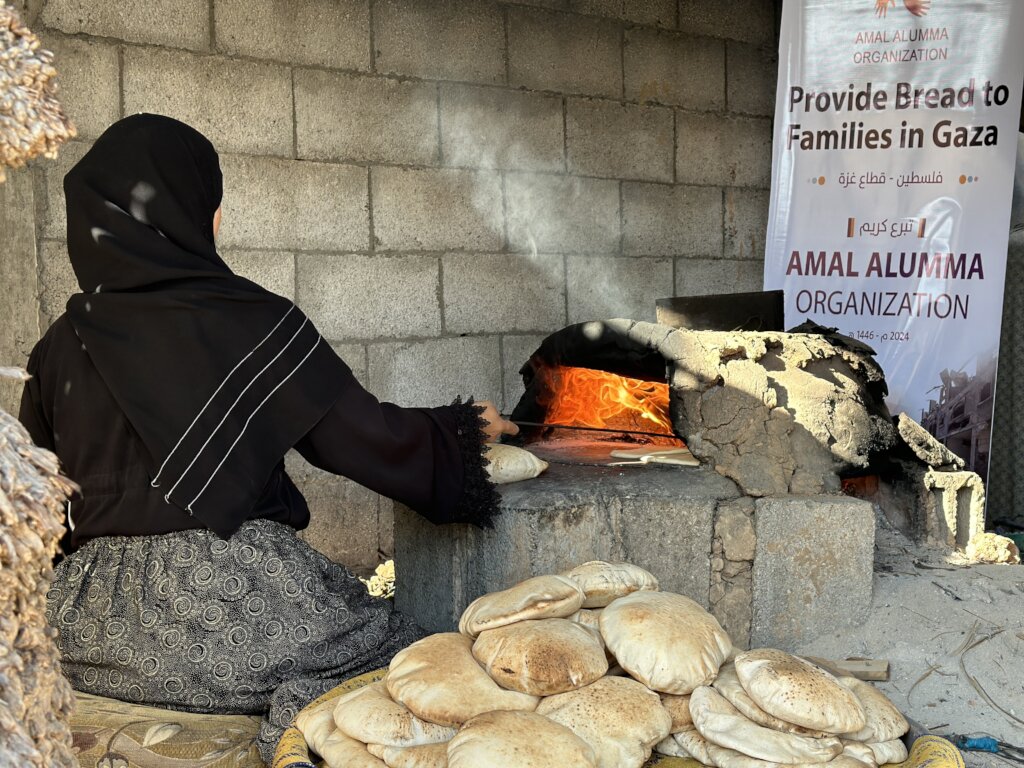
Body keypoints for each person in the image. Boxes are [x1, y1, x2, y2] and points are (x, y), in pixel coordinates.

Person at [18, 113, 518, 761]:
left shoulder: (59, 343)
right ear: (199, 214)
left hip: (83, 621)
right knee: (427, 658)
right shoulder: (252, 320)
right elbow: (363, 442)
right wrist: (462, 431)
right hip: (233, 606)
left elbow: (31, 510)